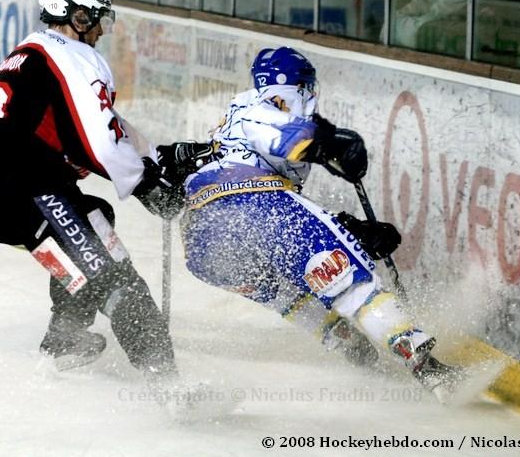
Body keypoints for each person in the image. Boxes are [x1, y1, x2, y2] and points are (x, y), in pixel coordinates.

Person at [157, 47, 463, 401]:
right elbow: (282, 147)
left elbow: (283, 214)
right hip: (254, 204)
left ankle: (346, 342)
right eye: (307, 87)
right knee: (350, 284)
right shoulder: (261, 107)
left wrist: (347, 229)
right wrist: (328, 144)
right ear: (296, 86)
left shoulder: (229, 126)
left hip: (202, 237)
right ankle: (428, 368)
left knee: (281, 292)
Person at [0, 0, 182, 387]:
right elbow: (99, 143)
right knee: (116, 278)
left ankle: (66, 335)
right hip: (18, 188)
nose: (101, 31)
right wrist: (146, 186)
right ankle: (166, 382)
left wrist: (155, 157)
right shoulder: (74, 57)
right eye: (96, 20)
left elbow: (103, 125)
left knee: (94, 215)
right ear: (76, 16)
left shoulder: (34, 51)